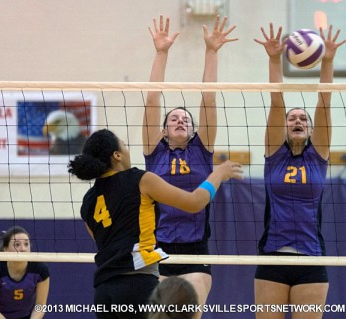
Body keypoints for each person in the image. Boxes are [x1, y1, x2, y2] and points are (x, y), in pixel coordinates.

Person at [68, 129, 243, 319]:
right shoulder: (140, 179)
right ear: (117, 155)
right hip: (137, 285)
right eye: (124, 145)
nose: (127, 150)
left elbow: (102, 241)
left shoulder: (88, 200)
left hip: (103, 293)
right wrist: (218, 174)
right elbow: (195, 203)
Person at [142, 15, 237, 312]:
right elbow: (152, 101)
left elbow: (208, 100)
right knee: (157, 315)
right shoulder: (153, 150)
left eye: (185, 119)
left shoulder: (201, 149)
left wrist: (211, 52)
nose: (180, 120)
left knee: (188, 312)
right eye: (174, 119)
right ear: (164, 130)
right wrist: (161, 53)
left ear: (193, 130)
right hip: (155, 250)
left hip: (196, 249)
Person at [253, 24, 346, 319]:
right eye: (292, 118)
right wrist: (273, 59)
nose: (297, 120)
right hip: (272, 258)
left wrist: (328, 60)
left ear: (310, 129)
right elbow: (276, 101)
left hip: (311, 258)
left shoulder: (318, 155)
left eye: (303, 118)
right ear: (284, 126)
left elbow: (324, 102)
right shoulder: (274, 155)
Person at [0, 226, 50, 319]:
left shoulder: (40, 269)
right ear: (5, 249)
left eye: (26, 244)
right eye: (17, 245)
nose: (23, 249)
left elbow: (40, 306)